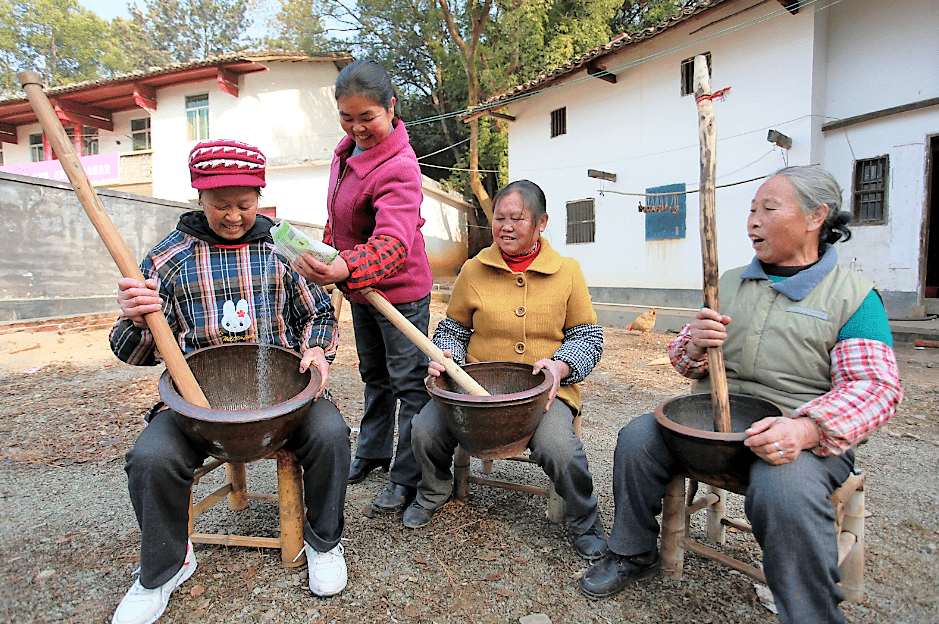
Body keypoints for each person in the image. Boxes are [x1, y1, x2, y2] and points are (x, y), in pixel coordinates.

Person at [579, 166, 902, 624]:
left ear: (816, 217)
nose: (753, 220)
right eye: (751, 209)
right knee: (637, 438)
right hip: (712, 428)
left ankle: (809, 613)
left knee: (783, 490)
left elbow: (875, 389)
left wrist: (807, 428)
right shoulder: (728, 283)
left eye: (769, 209)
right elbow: (682, 359)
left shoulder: (853, 297)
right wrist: (692, 345)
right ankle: (632, 552)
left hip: (793, 440)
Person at [109, 139, 351, 624]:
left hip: (287, 398)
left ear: (259, 197)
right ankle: (165, 566)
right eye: (220, 205)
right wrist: (137, 321)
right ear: (199, 197)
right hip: (199, 409)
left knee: (331, 435)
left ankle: (323, 541)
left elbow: (320, 312)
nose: (234, 215)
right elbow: (127, 349)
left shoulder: (283, 248)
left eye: (244, 204)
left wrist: (316, 349)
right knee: (150, 458)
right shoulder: (167, 259)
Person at [403, 180, 609, 562]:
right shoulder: (473, 269)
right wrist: (447, 354)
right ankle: (434, 490)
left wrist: (561, 366)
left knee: (561, 448)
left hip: (541, 395)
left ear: (542, 223)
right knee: (425, 429)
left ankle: (585, 520)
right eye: (500, 218)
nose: (506, 227)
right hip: (476, 389)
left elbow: (588, 338)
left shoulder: (567, 272)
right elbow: (453, 329)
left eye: (517, 218)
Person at [292, 59, 433, 515]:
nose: (358, 128)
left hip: (400, 294)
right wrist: (326, 252)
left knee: (409, 385)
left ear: (390, 107)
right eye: (347, 118)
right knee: (375, 378)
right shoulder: (343, 153)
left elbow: (393, 243)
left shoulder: (401, 166)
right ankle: (373, 452)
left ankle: (408, 476)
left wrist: (344, 267)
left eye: (367, 117)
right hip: (360, 288)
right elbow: (340, 221)